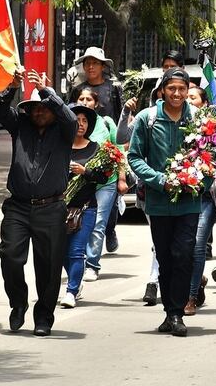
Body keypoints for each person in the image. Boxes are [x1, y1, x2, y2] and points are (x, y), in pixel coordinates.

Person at [0, 70, 77, 336]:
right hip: (18, 206)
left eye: (44, 109)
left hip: (51, 208)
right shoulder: (21, 126)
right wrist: (12, 86)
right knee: (9, 256)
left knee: (49, 267)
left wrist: (46, 92)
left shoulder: (64, 131)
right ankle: (18, 304)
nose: (39, 113)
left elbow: (71, 118)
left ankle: (44, 317)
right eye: (34, 109)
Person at [128, 68, 202, 337]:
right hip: (159, 202)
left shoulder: (197, 118)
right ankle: (170, 311)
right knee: (165, 256)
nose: (177, 94)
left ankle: (177, 313)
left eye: (182, 89)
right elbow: (134, 157)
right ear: (162, 91)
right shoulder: (147, 119)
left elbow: (210, 154)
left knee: (184, 253)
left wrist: (196, 178)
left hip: (189, 201)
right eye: (172, 89)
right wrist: (159, 179)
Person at [77, 88, 128, 283]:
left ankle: (92, 265)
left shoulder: (106, 123)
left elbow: (119, 150)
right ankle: (77, 259)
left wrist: (122, 178)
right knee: (79, 222)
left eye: (89, 99)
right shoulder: (71, 123)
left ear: (96, 104)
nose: (85, 101)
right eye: (81, 98)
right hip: (80, 181)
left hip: (106, 182)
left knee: (98, 223)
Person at [60, 105, 104, 309]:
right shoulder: (60, 146)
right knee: (60, 252)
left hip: (85, 208)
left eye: (85, 120)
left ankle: (71, 291)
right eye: (76, 119)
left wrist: (85, 171)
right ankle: (74, 281)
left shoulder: (96, 149)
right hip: (58, 208)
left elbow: (103, 177)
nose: (80, 124)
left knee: (77, 251)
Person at [184, 85, 216, 316]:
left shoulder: (212, 128)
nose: (187, 100)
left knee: (197, 245)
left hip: (205, 196)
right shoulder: (173, 123)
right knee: (178, 249)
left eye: (192, 97)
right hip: (178, 193)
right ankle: (197, 278)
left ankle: (191, 296)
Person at [67, 47, 123, 121]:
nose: (91, 67)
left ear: (103, 67)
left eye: (95, 63)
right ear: (83, 66)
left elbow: (121, 114)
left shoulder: (114, 88)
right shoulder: (77, 90)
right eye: (88, 63)